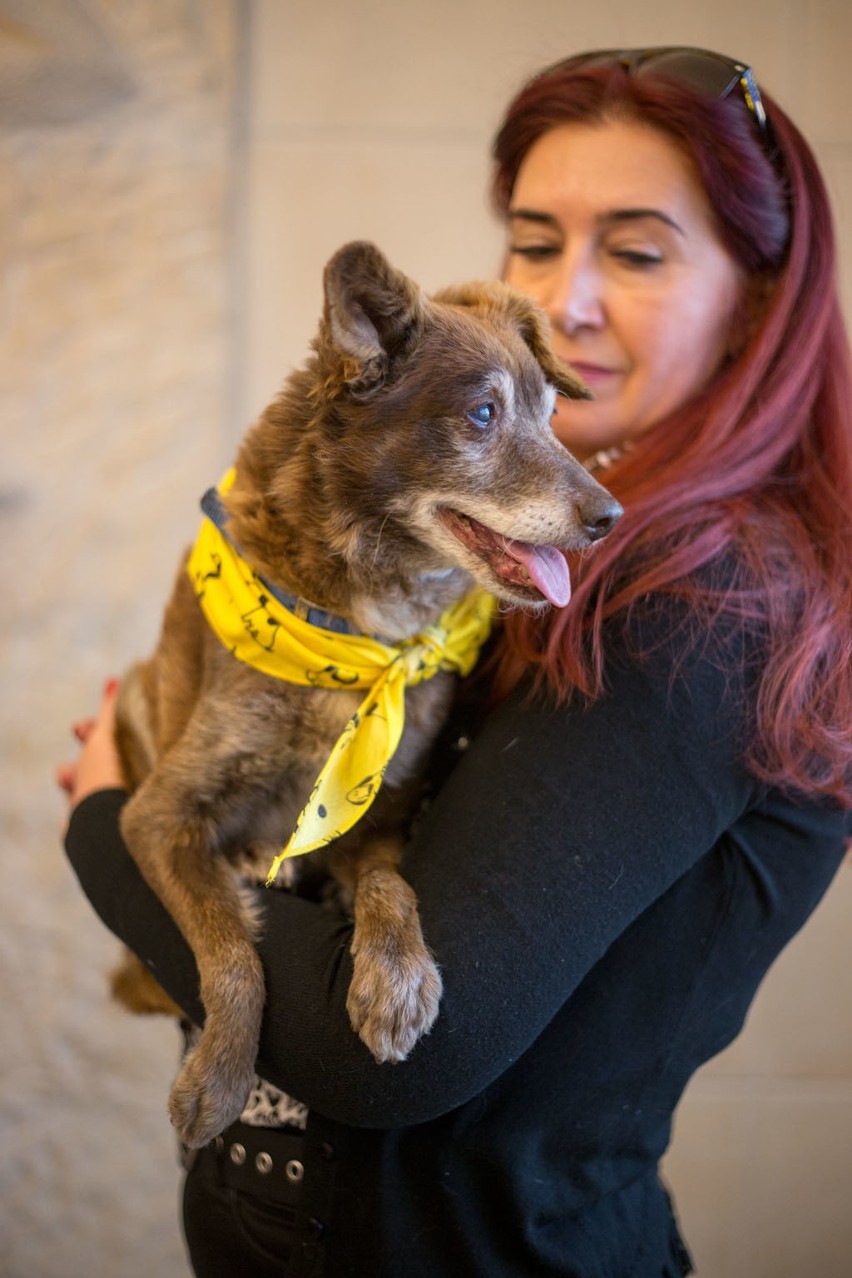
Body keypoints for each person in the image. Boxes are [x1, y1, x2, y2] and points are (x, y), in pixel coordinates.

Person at [59, 47, 852, 1278]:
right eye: (536, 240)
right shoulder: (497, 574)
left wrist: (102, 816)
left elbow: (382, 1054)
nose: (567, 299)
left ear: (755, 301)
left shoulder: (700, 607)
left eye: (636, 252)